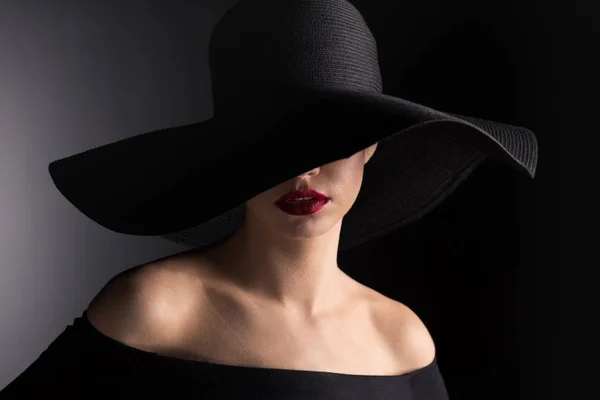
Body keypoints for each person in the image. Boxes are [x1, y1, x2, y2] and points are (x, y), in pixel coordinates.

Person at [0, 0, 537, 398]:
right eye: (274, 144)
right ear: (236, 152)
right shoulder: (156, 309)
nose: (303, 170)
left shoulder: (401, 338)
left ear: (371, 147)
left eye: (333, 142)